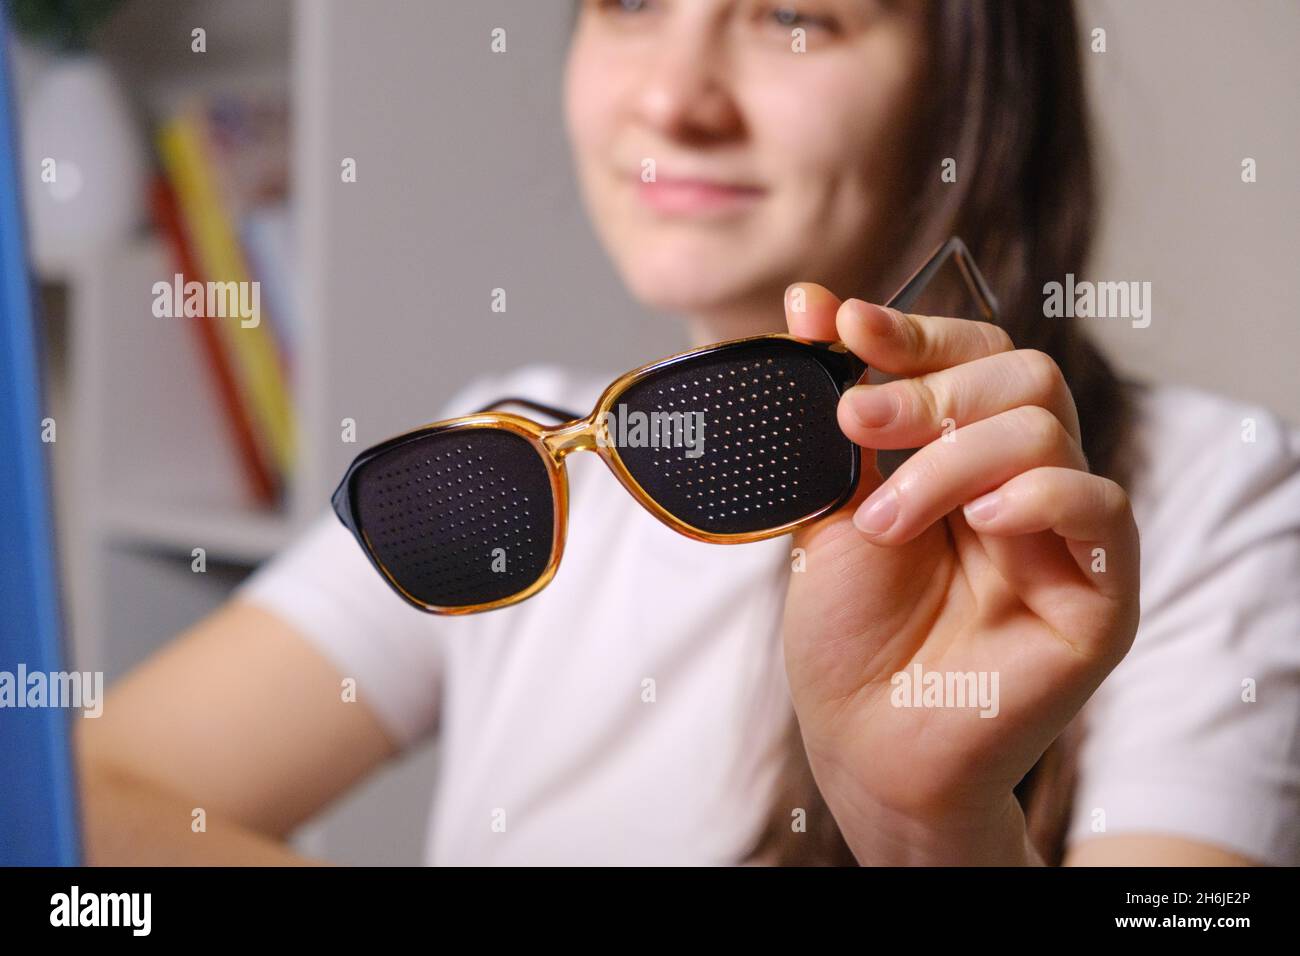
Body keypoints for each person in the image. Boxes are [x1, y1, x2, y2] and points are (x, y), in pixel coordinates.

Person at [79, 0, 1300, 866]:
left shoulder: (1190, 493)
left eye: (796, 18)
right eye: (630, 0)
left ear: (974, 81)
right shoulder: (514, 458)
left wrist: (932, 831)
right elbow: (86, 802)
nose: (672, 96)